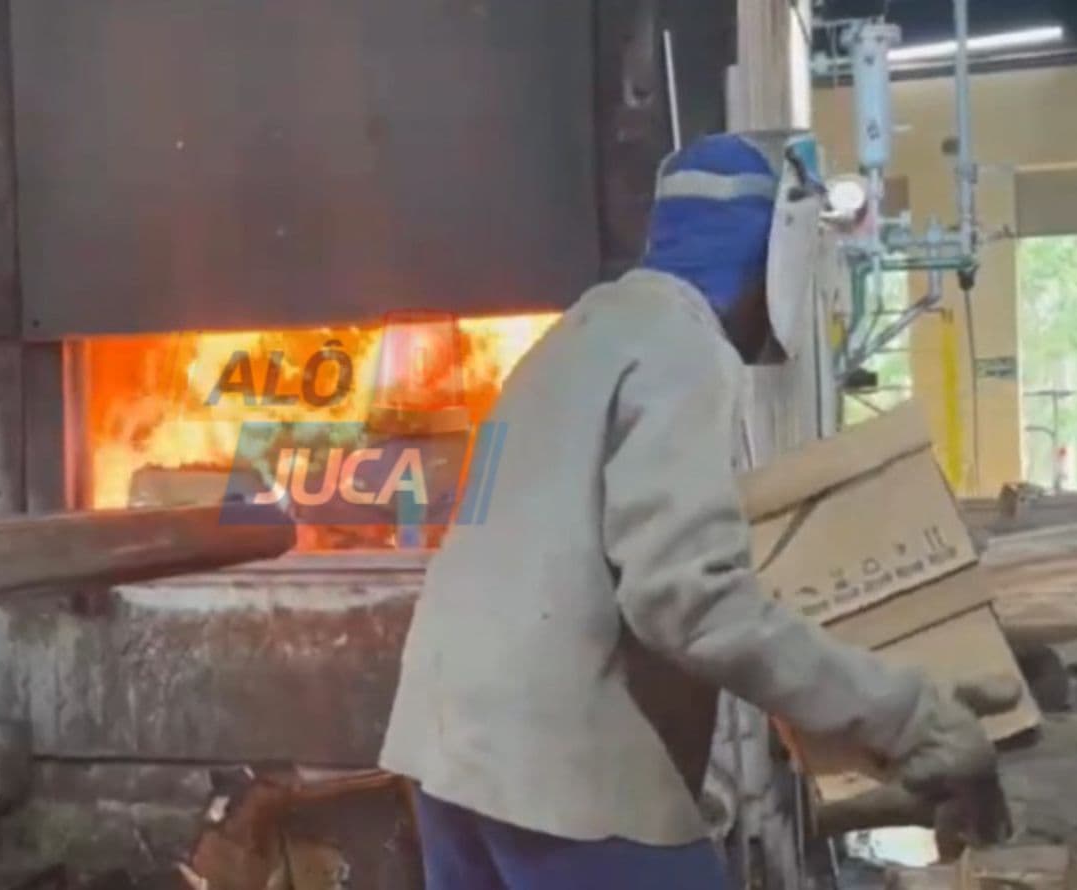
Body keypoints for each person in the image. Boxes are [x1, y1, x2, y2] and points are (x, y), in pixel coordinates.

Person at [379, 131, 1012, 889]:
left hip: (448, 754)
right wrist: (912, 721)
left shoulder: (575, 333)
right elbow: (687, 600)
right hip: (553, 770)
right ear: (773, 259)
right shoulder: (683, 347)